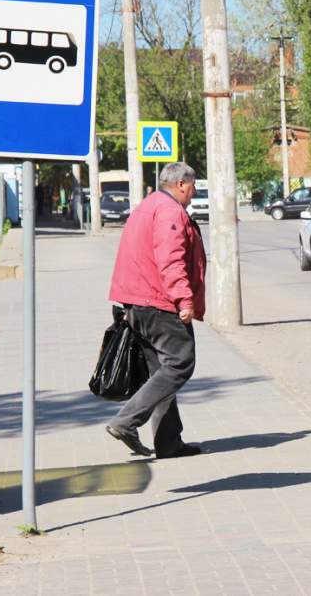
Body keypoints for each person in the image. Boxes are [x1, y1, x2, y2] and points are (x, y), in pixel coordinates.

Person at [105, 162, 206, 459]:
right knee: (180, 363)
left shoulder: (147, 205)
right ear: (182, 185)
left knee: (161, 372)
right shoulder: (170, 211)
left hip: (137, 301)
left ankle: (168, 442)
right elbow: (170, 259)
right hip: (158, 302)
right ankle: (126, 420)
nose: (194, 191)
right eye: (194, 186)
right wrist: (184, 300)